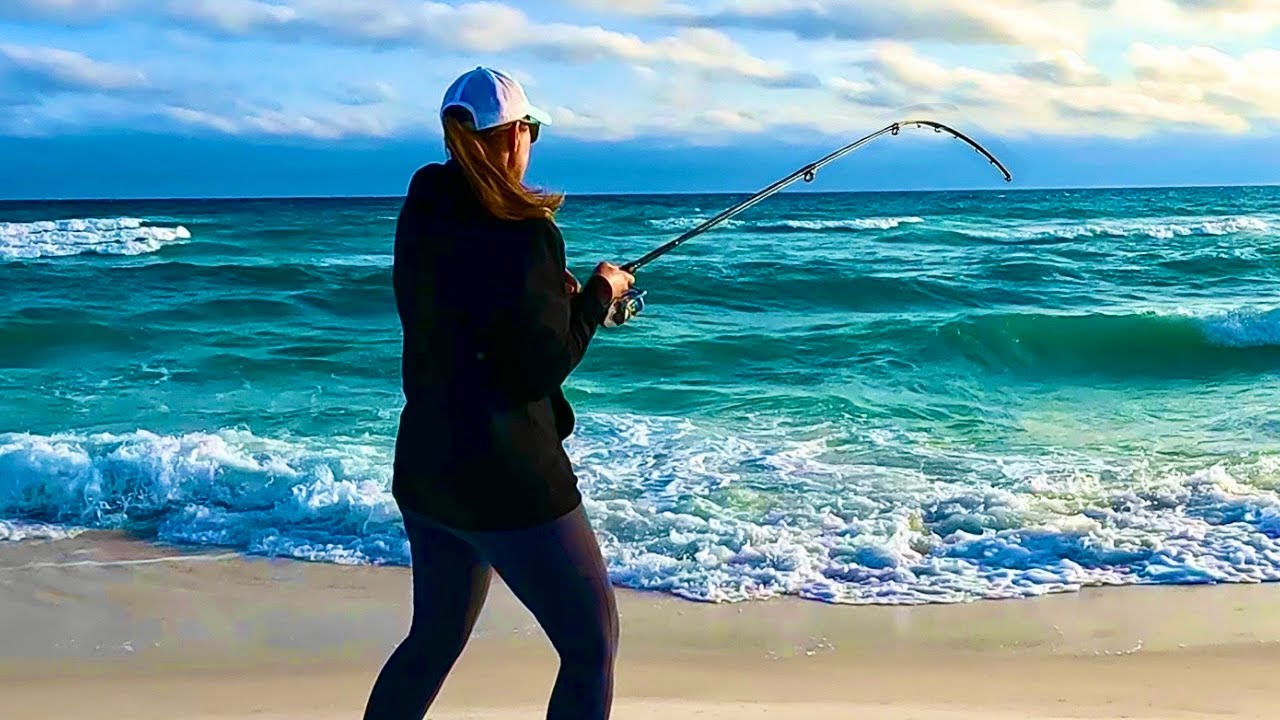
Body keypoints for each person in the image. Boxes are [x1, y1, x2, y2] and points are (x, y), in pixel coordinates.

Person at [363, 67, 634, 720]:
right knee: (591, 646)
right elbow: (537, 370)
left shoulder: (424, 205)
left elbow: (470, 310)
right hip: (509, 480)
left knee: (432, 639)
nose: (531, 142)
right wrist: (598, 295)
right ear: (511, 136)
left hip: (430, 470)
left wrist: (553, 294)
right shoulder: (528, 236)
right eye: (529, 129)